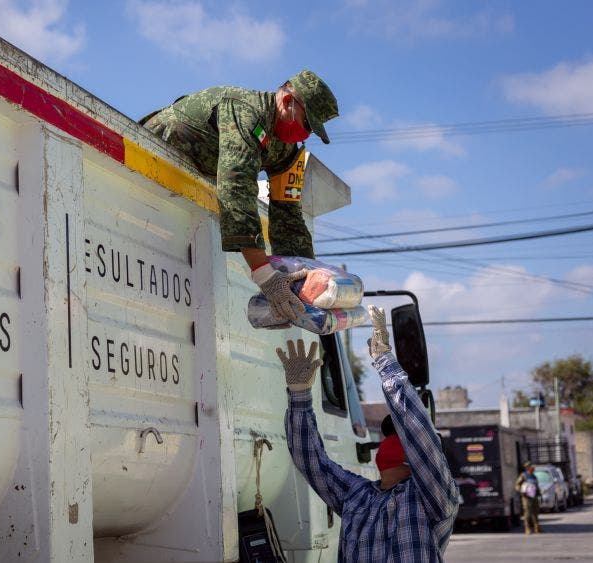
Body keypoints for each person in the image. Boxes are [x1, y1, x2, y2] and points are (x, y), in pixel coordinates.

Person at [142, 70, 339, 321]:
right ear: (288, 103)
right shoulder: (246, 112)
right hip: (151, 152)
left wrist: (303, 280)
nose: (306, 134)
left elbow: (289, 215)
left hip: (186, 177)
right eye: (307, 124)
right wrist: (266, 276)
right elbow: (237, 187)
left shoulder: (287, 150)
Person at [277, 305, 459, 562]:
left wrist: (385, 361)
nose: (388, 442)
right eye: (389, 436)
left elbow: (420, 435)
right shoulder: (358, 496)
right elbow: (312, 462)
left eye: (398, 437)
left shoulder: (432, 498)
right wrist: (299, 395)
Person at [515, 461, 541, 534]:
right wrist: (521, 492)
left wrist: (539, 493)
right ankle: (527, 528)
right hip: (527, 497)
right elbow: (517, 485)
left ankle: (537, 528)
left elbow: (536, 486)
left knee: (535, 512)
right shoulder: (523, 475)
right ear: (528, 468)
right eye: (532, 466)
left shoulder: (534, 476)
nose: (533, 468)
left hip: (534, 496)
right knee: (528, 513)